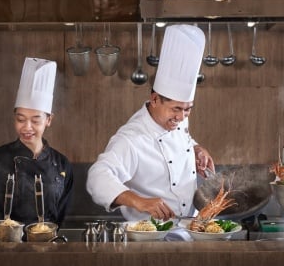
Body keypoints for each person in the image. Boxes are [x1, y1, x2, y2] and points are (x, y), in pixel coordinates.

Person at [86, 24, 215, 222]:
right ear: (155, 100)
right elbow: (97, 177)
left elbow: (183, 137)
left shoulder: (176, 121)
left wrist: (196, 148)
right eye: (176, 109)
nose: (181, 117)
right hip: (151, 237)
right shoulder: (131, 138)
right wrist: (138, 201)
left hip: (191, 229)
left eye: (188, 109)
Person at [0, 57, 73, 240]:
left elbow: (62, 219)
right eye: (20, 119)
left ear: (49, 120)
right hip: (0, 248)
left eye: (35, 120)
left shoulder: (62, 165)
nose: (27, 127)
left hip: (46, 249)